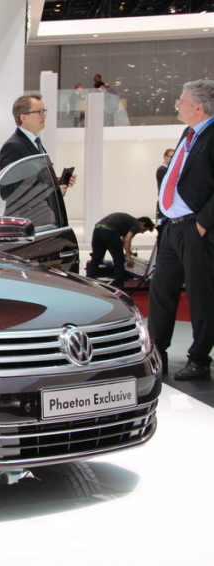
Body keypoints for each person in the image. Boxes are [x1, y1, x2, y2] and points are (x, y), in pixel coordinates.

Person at [149, 79, 214, 381]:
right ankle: (156, 352)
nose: (176, 105)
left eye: (182, 101)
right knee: (161, 291)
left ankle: (199, 359)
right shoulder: (188, 134)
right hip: (171, 228)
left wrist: (202, 224)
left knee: (201, 296)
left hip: (195, 228)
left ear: (199, 107)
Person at [0, 94, 75, 196]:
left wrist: (57, 182)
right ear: (23, 117)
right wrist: (52, 191)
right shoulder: (13, 147)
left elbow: (33, 181)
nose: (44, 115)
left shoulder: (35, 143)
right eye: (39, 112)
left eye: (44, 111)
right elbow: (8, 191)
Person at [85, 213, 155, 290]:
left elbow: (124, 240)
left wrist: (128, 253)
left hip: (98, 229)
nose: (142, 232)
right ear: (142, 223)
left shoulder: (128, 222)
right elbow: (127, 240)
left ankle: (88, 281)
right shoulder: (136, 224)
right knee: (119, 260)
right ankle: (118, 284)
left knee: (96, 258)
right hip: (109, 230)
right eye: (144, 230)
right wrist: (129, 258)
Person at [155, 148, 175, 225]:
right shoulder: (162, 170)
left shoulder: (170, 170)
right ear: (165, 157)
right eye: (171, 157)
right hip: (164, 203)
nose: (172, 159)